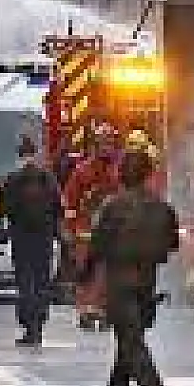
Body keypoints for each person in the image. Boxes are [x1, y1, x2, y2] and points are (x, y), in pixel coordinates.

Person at [79, 147, 179, 386]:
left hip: (120, 282)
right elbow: (172, 244)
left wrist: (85, 276)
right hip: (147, 280)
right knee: (130, 336)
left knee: (131, 342)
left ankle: (151, 383)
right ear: (147, 173)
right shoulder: (162, 207)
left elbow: (97, 245)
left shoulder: (113, 206)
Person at [0, 135, 61, 346]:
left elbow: (4, 208)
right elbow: (57, 207)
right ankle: (39, 326)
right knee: (42, 281)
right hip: (43, 239)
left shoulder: (12, 179)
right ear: (35, 154)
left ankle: (29, 327)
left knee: (25, 282)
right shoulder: (48, 179)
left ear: (19, 155)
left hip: (21, 239)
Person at [63, 124, 124, 329]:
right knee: (85, 274)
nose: (106, 147)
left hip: (114, 234)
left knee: (110, 274)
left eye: (109, 143)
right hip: (86, 234)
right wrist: (70, 231)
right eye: (102, 143)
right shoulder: (82, 171)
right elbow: (71, 202)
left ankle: (106, 310)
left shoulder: (121, 171)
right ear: (95, 145)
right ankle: (87, 311)